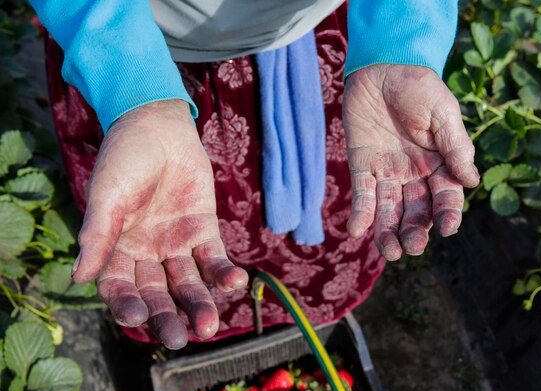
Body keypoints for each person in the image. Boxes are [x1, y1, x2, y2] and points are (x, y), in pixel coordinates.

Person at [31, 0, 479, 349]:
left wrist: (400, 40)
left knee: (333, 230)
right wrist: (133, 93)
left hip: (337, 46)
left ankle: (291, 325)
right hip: (135, 58)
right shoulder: (131, 80)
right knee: (174, 242)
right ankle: (203, 343)